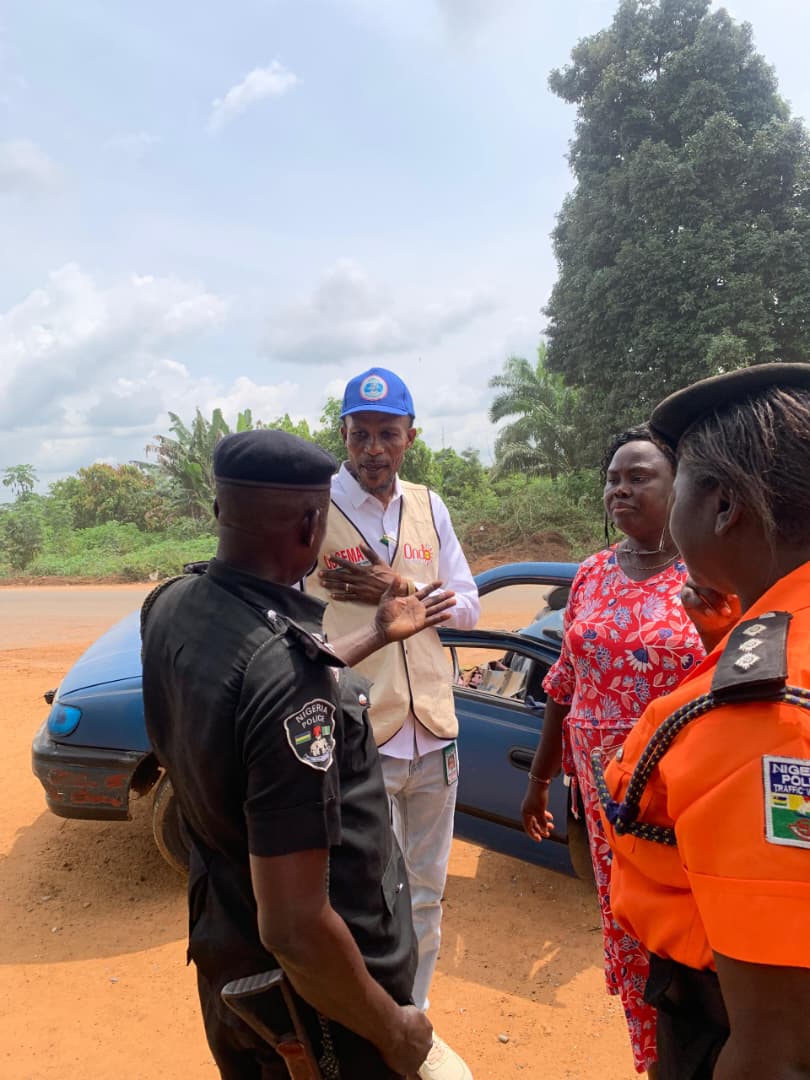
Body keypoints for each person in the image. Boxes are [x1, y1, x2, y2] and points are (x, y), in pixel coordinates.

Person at [141, 428, 459, 1080]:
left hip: (228, 953)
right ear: (312, 522)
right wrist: (390, 1026)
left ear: (218, 510)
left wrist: (374, 632)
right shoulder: (289, 679)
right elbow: (294, 926)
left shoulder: (172, 605)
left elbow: (255, 692)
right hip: (317, 1003)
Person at [596, 363, 810, 1079]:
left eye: (678, 479)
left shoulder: (761, 714)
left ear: (721, 506)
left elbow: (774, 1050)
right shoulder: (770, 636)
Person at [304, 367, 479, 1080]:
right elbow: (294, 618)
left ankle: (416, 1016)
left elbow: (467, 607)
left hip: (434, 733)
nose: (374, 448)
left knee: (428, 893)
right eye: (360, 433)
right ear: (343, 435)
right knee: (367, 897)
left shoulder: (429, 507)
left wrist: (398, 588)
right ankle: (376, 1024)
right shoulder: (316, 510)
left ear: (410, 437)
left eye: (387, 434)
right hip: (360, 739)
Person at [520, 424, 705, 1077]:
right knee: (627, 926)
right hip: (605, 802)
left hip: (683, 795)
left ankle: (701, 1048)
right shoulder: (593, 574)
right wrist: (541, 780)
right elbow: (562, 686)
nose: (620, 489)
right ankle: (653, 1057)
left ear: (678, 486)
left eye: (638, 477)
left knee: (687, 930)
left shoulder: (707, 575)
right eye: (613, 478)